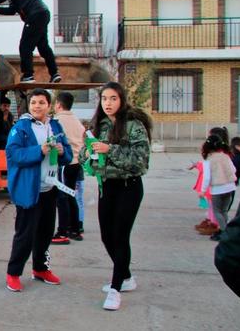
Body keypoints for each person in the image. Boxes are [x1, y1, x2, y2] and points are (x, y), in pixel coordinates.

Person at [80, 81, 152, 311]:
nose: (108, 103)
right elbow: (83, 155)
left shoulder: (133, 125)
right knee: (106, 236)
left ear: (121, 100)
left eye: (113, 98)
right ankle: (127, 276)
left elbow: (140, 160)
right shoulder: (97, 126)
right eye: (104, 99)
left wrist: (110, 149)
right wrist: (89, 153)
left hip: (129, 187)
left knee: (121, 236)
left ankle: (115, 288)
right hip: (107, 186)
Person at [4, 88, 72, 292]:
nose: (37, 106)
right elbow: (14, 154)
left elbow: (68, 154)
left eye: (41, 102)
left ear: (48, 105)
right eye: (33, 102)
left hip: (50, 189)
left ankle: (40, 269)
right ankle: (13, 273)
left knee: (45, 232)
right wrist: (39, 150)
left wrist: (62, 151)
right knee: (25, 234)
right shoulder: (21, 127)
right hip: (29, 190)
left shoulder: (56, 126)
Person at [51, 92, 86, 244]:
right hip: (77, 164)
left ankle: (62, 232)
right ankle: (75, 229)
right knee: (70, 195)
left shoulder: (58, 121)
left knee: (62, 197)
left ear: (58, 104)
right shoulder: (77, 120)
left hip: (65, 164)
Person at [214, 163, 240, 305]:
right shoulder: (228, 157)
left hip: (218, 188)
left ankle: (223, 229)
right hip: (228, 188)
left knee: (218, 211)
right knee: (222, 211)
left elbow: (230, 255)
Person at [201, 135, 236, 242]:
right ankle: (224, 229)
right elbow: (233, 169)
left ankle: (224, 231)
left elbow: (207, 177)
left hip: (217, 189)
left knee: (217, 211)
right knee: (224, 210)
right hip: (230, 187)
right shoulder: (226, 156)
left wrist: (202, 190)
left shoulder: (209, 160)